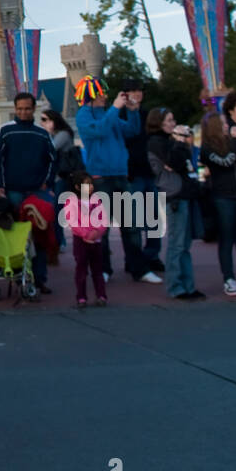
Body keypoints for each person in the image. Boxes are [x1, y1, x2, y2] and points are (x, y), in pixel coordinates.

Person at [74, 78, 161, 286]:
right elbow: (99, 131)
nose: (105, 95)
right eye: (102, 93)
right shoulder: (83, 115)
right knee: (101, 228)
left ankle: (138, 269)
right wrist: (114, 108)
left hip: (121, 174)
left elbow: (131, 130)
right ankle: (103, 269)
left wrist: (131, 111)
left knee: (131, 226)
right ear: (92, 95)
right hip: (99, 176)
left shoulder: (107, 113)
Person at [0, 91, 57, 292]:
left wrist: (47, 182)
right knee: (15, 235)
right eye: (19, 109)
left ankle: (39, 278)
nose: (23, 112)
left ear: (34, 109)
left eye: (27, 109)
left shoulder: (42, 134)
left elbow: (53, 160)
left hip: (36, 191)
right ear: (15, 109)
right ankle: (17, 274)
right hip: (13, 191)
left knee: (39, 235)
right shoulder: (6, 131)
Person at [147, 108, 204, 301]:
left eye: (173, 119)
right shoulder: (157, 142)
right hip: (174, 195)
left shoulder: (168, 142)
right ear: (159, 122)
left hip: (183, 193)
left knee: (184, 244)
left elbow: (182, 162)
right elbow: (175, 162)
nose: (173, 123)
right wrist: (180, 142)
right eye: (169, 120)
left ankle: (188, 285)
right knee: (177, 244)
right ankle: (176, 286)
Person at [199, 110, 236, 295]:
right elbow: (227, 162)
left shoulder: (233, 142)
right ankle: (228, 278)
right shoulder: (207, 149)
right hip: (223, 198)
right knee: (227, 238)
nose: (227, 126)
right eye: (223, 123)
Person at [120, 78, 164, 270]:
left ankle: (152, 256)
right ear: (125, 94)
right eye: (133, 90)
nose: (137, 94)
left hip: (149, 173)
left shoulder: (148, 116)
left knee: (154, 218)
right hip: (131, 174)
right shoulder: (119, 115)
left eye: (139, 90)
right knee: (134, 221)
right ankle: (134, 259)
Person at [62, 170, 109, 307]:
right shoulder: (72, 201)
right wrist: (86, 234)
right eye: (87, 184)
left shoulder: (96, 200)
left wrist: (97, 232)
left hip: (96, 240)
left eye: (91, 184)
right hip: (81, 241)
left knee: (98, 270)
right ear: (77, 187)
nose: (91, 187)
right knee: (81, 270)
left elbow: (104, 219)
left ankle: (101, 295)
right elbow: (73, 222)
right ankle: (81, 297)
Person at [40, 108, 79, 249]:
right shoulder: (56, 134)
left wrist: (48, 134)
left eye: (45, 120)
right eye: (41, 120)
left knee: (58, 209)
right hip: (56, 177)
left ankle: (60, 240)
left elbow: (51, 149)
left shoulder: (62, 134)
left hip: (63, 177)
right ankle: (58, 239)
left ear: (54, 121)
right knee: (56, 209)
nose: (42, 123)